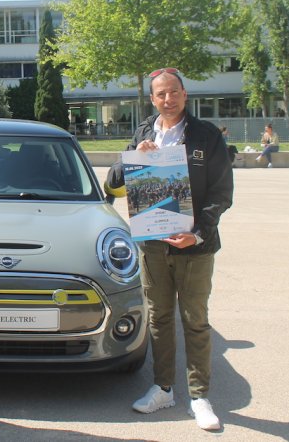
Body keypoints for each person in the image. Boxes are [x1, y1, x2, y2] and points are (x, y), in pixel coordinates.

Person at [104, 68, 233, 431]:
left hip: (194, 246)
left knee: (195, 320)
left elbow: (222, 195)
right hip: (154, 247)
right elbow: (113, 182)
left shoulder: (206, 136)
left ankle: (199, 396)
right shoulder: (144, 132)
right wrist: (132, 160)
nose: (167, 99)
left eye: (173, 92)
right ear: (152, 99)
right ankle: (163, 388)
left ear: (184, 94)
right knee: (159, 318)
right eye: (160, 94)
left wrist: (199, 232)